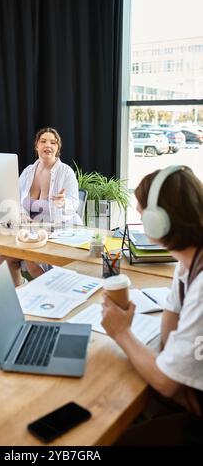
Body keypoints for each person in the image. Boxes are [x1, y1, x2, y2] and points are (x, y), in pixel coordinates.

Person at [101, 165, 203, 445]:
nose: (139, 215)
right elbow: (168, 338)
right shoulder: (188, 261)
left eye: (142, 210)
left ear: (160, 221)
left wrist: (121, 332)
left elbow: (165, 382)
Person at [0, 127, 82, 286]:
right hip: (29, 228)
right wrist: (21, 214)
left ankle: (52, 294)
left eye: (53, 142)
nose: (48, 145)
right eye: (43, 141)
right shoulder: (28, 171)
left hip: (57, 228)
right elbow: (15, 198)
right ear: (37, 146)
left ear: (58, 148)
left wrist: (63, 203)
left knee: (31, 260)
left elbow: (74, 204)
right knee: (3, 254)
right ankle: (20, 290)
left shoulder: (66, 172)